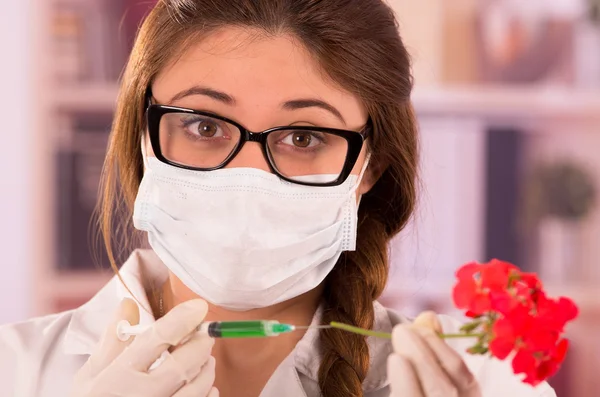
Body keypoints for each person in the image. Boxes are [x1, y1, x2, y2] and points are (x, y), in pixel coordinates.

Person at [0, 1, 557, 396]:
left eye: (302, 138)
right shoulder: (15, 370)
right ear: (145, 136)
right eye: (202, 125)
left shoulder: (482, 385)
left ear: (369, 167)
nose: (247, 175)